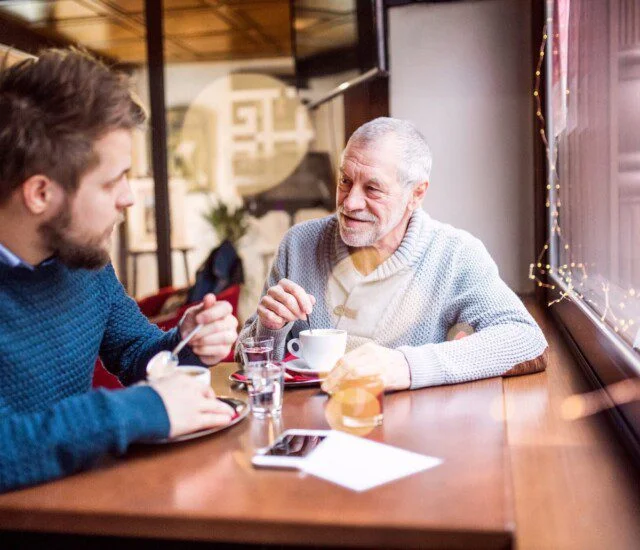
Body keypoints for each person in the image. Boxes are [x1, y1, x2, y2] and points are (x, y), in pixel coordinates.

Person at [0, 49, 238, 493]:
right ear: (39, 193)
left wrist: (187, 344)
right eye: (112, 182)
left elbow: (135, 354)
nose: (129, 198)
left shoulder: (83, 259)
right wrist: (141, 410)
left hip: (85, 501)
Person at [238, 117, 548, 393]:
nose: (349, 202)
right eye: (345, 180)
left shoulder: (454, 254)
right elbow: (244, 357)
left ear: (416, 194)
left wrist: (404, 366)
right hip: (311, 430)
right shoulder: (298, 244)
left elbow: (525, 340)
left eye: (372, 189)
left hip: (408, 436)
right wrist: (270, 328)